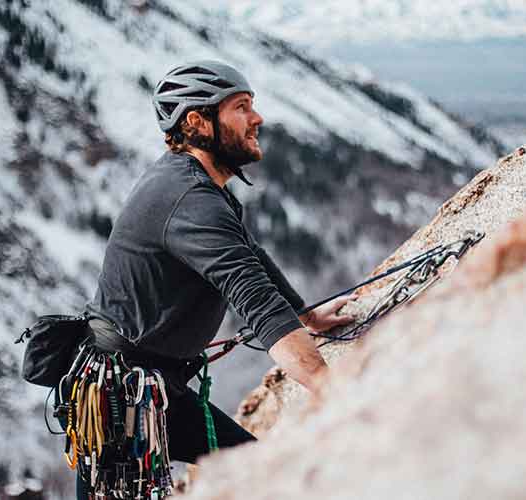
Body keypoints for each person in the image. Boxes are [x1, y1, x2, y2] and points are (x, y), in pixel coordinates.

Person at [80, 60, 356, 495]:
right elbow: (256, 301)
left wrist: (305, 316)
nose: (257, 118)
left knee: (255, 468)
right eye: (242, 107)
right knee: (258, 471)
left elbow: (248, 257)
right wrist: (336, 392)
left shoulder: (194, 185)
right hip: (127, 394)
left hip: (140, 384)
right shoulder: (190, 199)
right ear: (198, 121)